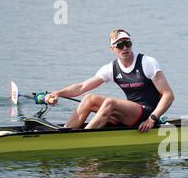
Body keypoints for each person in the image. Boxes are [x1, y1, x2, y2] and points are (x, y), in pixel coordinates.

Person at [45, 29, 174, 132]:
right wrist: (58, 93)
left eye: (127, 44)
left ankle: (81, 139)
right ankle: (64, 132)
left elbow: (168, 95)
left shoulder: (147, 62)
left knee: (110, 102)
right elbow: (81, 87)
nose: (124, 48)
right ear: (112, 49)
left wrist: (152, 119)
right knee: (89, 98)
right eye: (120, 45)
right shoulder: (111, 68)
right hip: (130, 113)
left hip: (148, 113)